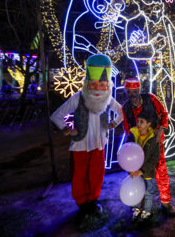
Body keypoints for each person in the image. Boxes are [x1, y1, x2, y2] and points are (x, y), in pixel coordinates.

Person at [50, 54, 123, 226]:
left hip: (99, 143)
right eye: (94, 84)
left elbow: (122, 111)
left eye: (102, 84)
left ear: (107, 85)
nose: (97, 88)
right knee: (80, 175)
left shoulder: (107, 99)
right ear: (87, 83)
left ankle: (93, 201)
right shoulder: (78, 97)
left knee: (96, 174)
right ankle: (82, 203)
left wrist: (112, 124)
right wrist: (70, 129)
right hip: (80, 144)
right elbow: (57, 116)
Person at [122, 78, 175, 217]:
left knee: (161, 171)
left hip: (155, 143)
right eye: (129, 92)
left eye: (134, 91)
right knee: (139, 175)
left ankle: (165, 203)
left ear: (139, 90)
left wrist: (161, 129)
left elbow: (164, 113)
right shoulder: (126, 108)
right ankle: (138, 203)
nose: (132, 95)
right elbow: (127, 129)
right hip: (138, 148)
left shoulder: (151, 99)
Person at [126, 111, 160, 222]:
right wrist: (130, 170)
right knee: (136, 190)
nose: (138, 124)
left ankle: (147, 211)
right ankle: (136, 209)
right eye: (137, 121)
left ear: (149, 124)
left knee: (148, 192)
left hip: (147, 173)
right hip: (134, 172)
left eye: (142, 122)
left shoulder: (153, 139)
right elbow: (126, 154)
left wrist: (142, 170)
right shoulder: (132, 136)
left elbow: (154, 159)